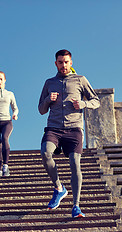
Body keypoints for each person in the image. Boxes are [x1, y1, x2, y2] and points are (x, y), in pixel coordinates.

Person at [38, 49, 100, 218]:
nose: (63, 65)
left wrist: (83, 104)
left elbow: (96, 101)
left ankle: (76, 206)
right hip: (54, 128)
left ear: (71, 63)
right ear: (55, 63)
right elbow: (41, 110)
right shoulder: (49, 82)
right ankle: (59, 188)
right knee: (45, 153)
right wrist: (47, 100)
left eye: (66, 62)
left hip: (74, 129)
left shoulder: (81, 80)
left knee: (74, 162)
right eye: (60, 62)